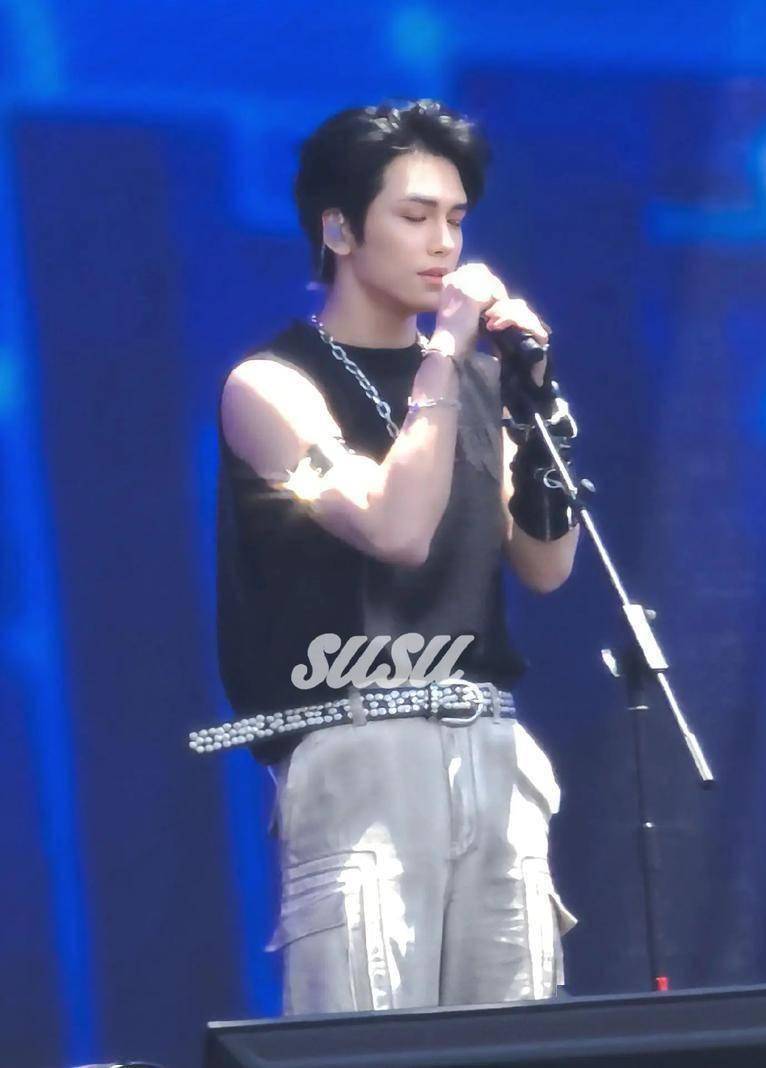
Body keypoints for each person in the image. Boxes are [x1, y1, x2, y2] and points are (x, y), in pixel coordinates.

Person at [213, 99, 580, 1014]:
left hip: (492, 749)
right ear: (339, 229)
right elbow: (394, 530)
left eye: (455, 218)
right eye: (414, 216)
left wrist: (535, 409)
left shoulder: (476, 385)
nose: (443, 244)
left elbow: (547, 565)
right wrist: (446, 354)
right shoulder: (272, 386)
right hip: (359, 753)